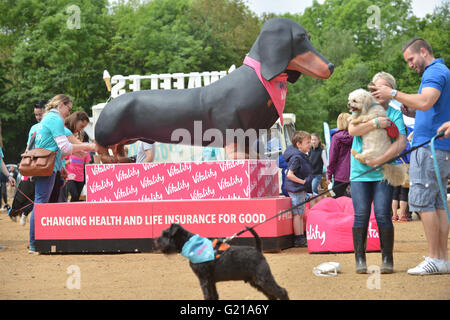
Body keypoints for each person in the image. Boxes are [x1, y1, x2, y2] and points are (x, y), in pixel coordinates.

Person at [370, 38, 449, 275]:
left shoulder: (434, 72)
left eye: (411, 59)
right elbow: (429, 106)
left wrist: (392, 93)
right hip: (437, 147)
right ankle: (442, 258)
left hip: (429, 148)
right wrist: (413, 111)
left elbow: (426, 100)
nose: (410, 65)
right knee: (437, 204)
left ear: (423, 51)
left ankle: (436, 257)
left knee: (424, 202)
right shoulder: (441, 70)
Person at [350, 72, 407, 274]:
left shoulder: (394, 112)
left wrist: (379, 160)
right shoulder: (360, 105)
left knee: (383, 215)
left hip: (383, 171)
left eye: (381, 87)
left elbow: (401, 142)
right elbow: (352, 131)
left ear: (389, 91)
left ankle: (387, 259)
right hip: (359, 172)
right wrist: (374, 124)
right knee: (361, 215)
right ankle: (359, 260)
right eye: (374, 87)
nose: (376, 91)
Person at [27, 94, 97, 254]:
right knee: (41, 204)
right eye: (68, 108)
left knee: (42, 203)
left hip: (48, 166)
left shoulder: (50, 119)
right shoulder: (55, 120)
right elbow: (66, 148)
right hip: (47, 167)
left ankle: (38, 241)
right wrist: (91, 147)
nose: (68, 113)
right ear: (61, 105)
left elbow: (64, 148)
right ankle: (34, 243)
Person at [282, 131, 313, 248]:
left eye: (310, 142)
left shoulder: (301, 156)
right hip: (295, 189)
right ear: (298, 144)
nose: (309, 145)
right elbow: (290, 174)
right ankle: (298, 238)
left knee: (300, 213)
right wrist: (303, 182)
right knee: (297, 214)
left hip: (299, 189)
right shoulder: (296, 158)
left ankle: (301, 236)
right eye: (307, 143)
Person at [64, 111, 91, 202]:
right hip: (70, 176)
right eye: (82, 126)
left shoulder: (84, 152)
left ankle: (73, 213)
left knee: (76, 198)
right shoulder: (67, 137)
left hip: (80, 178)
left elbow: (87, 165)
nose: (80, 130)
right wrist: (68, 162)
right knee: (74, 194)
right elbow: (62, 159)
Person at [326, 113, 353, 198]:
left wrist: (329, 174)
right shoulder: (356, 136)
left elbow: (332, 158)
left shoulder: (336, 138)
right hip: (356, 172)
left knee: (337, 201)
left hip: (340, 174)